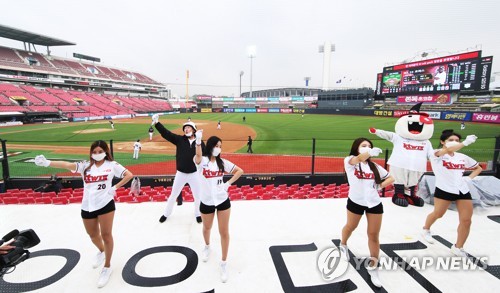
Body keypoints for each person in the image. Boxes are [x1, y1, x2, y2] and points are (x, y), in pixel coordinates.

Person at [33, 140, 133, 288]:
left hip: (106, 204)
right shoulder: (85, 166)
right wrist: (47, 163)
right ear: (91, 153)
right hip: (87, 205)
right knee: (92, 235)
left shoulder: (112, 165)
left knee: (106, 235)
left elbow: (129, 175)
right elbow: (67, 165)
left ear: (106, 152)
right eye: (95, 152)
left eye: (100, 152)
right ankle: (102, 251)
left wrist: (115, 187)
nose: (97, 154)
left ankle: (107, 267)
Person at [340, 138, 395, 288]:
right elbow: (358, 158)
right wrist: (368, 152)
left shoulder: (374, 166)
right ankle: (343, 244)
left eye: (369, 146)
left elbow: (391, 177)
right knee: (350, 226)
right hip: (356, 201)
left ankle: (373, 266)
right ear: (356, 148)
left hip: (374, 203)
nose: (367, 148)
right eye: (363, 146)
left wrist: (379, 186)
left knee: (373, 235)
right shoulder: (350, 161)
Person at [421, 130, 481, 257]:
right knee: (438, 214)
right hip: (444, 189)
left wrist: (469, 178)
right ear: (443, 142)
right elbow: (445, 151)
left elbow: (478, 168)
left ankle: (458, 247)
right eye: (450, 140)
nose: (454, 143)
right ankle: (426, 228)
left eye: (457, 141)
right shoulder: (436, 154)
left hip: (462, 189)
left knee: (466, 220)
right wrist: (465, 143)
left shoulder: (462, 157)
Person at [194, 133, 244, 283]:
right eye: (216, 146)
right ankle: (207, 246)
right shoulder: (202, 162)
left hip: (223, 201)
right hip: (207, 201)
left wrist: (227, 185)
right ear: (210, 147)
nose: (219, 149)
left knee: (224, 232)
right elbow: (197, 156)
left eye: (220, 146)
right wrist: (197, 141)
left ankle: (223, 263)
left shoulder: (223, 162)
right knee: (207, 228)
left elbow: (240, 171)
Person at [151, 114, 205, 223]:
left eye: (188, 127)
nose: (186, 129)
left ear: (194, 130)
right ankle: (166, 213)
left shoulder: (200, 142)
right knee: (173, 195)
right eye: (185, 128)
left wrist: (199, 141)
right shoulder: (180, 140)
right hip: (180, 173)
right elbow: (167, 134)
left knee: (198, 195)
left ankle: (198, 214)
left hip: (194, 174)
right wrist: (157, 123)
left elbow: (204, 155)